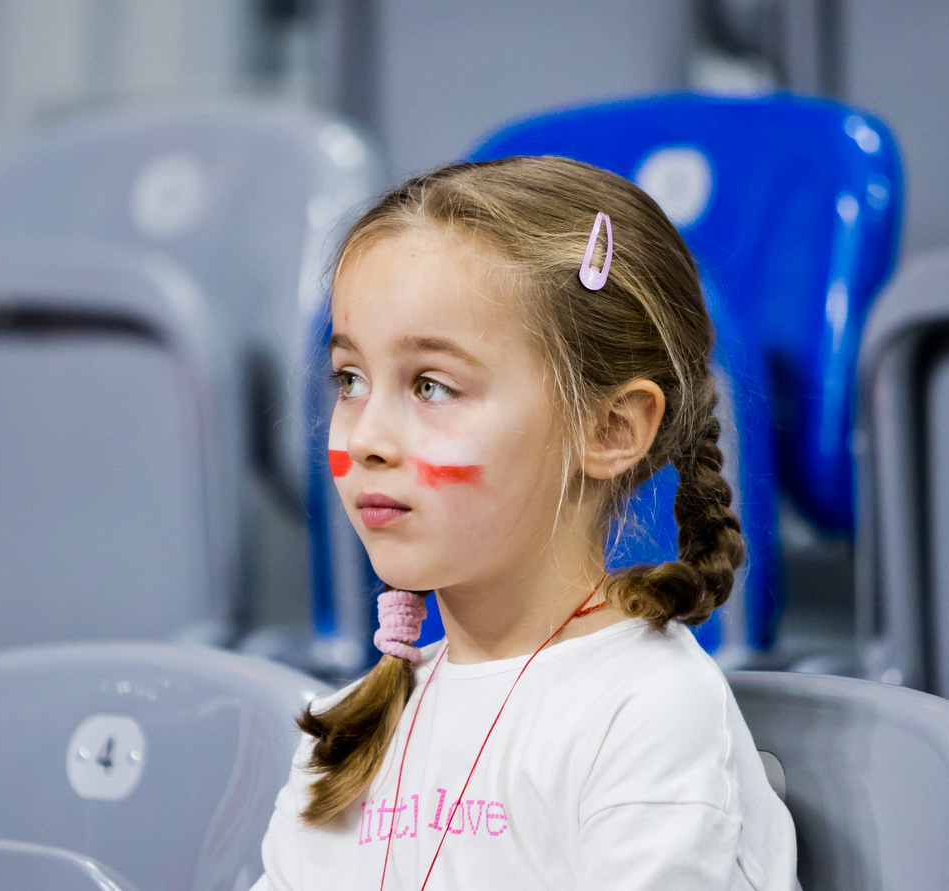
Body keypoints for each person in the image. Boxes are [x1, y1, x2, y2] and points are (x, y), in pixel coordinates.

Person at [252, 157, 798, 889]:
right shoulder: (341, 731)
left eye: (432, 386)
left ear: (610, 429)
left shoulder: (648, 711)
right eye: (350, 380)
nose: (368, 437)